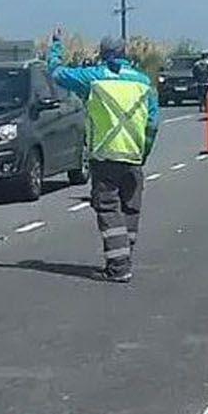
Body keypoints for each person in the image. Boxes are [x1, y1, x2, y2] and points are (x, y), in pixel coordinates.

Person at [48, 30, 160, 283]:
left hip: (105, 157)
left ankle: (119, 266)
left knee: (109, 209)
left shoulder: (93, 78)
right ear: (125, 54)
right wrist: (144, 152)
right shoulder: (143, 83)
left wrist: (56, 46)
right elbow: (152, 124)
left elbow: (56, 73)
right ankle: (124, 257)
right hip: (132, 156)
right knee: (130, 208)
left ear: (102, 54)